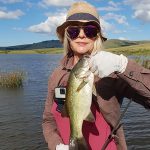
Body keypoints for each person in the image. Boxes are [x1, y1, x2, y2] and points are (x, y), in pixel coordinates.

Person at [42, 1, 150, 150]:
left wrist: (123, 66)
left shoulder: (112, 71)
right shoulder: (56, 75)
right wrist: (56, 145)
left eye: (90, 30)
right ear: (67, 36)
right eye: (74, 31)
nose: (81, 35)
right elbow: (48, 120)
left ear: (97, 36)